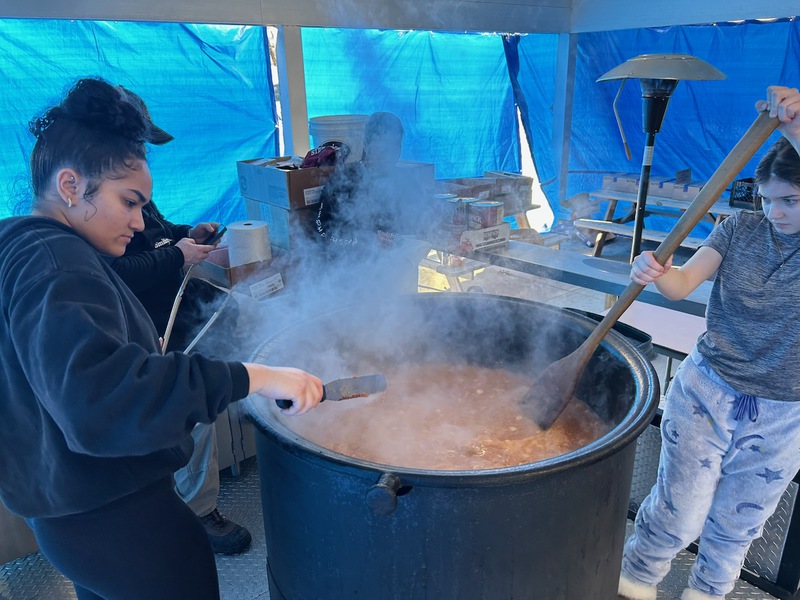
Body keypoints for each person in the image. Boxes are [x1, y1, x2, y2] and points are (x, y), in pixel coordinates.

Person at [0, 77, 323, 600]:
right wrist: (255, 377)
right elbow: (104, 400)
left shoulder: (17, 246)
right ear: (70, 185)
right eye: (129, 202)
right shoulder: (59, 263)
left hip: (65, 511)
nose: (137, 222)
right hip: (114, 513)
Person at [618, 85, 800, 600]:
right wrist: (654, 270)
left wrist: (796, 130)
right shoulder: (740, 228)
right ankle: (634, 581)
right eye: (768, 199)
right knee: (678, 508)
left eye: (790, 200)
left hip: (783, 412)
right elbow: (681, 285)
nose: (776, 212)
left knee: (738, 521)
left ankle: (707, 592)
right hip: (707, 388)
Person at [108, 92, 251, 554]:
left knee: (197, 413)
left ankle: (192, 505)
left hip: (174, 317)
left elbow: (156, 232)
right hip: (145, 328)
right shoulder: (93, 209)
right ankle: (190, 515)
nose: (143, 153)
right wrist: (177, 255)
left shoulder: (132, 192)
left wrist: (187, 234)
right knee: (184, 417)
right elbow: (117, 270)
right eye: (137, 143)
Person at [314, 111, 433, 293]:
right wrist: (364, 240)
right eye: (383, 146)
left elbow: (424, 221)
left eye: (396, 146)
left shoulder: (407, 181)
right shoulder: (342, 181)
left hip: (399, 281)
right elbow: (322, 232)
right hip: (354, 283)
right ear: (367, 143)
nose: (390, 154)